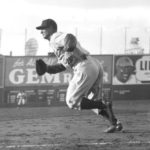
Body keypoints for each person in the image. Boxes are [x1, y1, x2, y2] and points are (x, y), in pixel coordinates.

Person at [36, 19, 123, 133]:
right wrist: (47, 69)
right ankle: (114, 123)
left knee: (72, 100)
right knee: (92, 102)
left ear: (52, 28)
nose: (41, 31)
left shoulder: (55, 37)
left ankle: (104, 105)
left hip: (84, 66)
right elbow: (62, 66)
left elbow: (70, 38)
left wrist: (68, 51)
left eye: (43, 28)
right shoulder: (56, 44)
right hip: (93, 65)